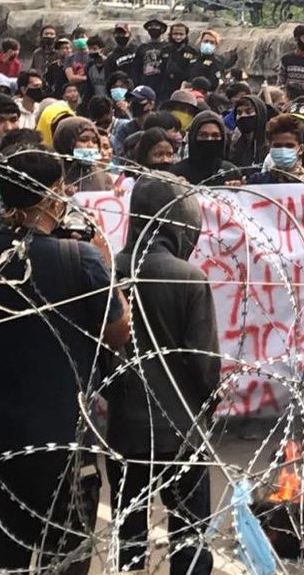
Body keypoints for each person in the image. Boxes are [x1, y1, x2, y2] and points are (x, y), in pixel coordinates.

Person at [0, 143, 130, 572]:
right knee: (65, 546)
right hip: (61, 427)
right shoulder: (80, 257)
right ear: (54, 191)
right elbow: (118, 331)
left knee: (4, 545)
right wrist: (104, 264)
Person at [106, 174, 219, 575]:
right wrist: (213, 400)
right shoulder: (188, 277)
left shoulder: (108, 271)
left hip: (125, 426)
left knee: (130, 531)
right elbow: (204, 362)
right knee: (189, 530)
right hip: (182, 428)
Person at [170, 110, 240, 185]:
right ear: (193, 137)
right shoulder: (176, 173)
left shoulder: (230, 172)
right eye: (203, 135)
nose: (209, 139)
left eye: (215, 135)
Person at [248, 113, 304, 183]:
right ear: (269, 148)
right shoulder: (257, 181)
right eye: (277, 146)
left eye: (289, 146)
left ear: (301, 149)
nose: (283, 150)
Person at [54, 116, 115, 192]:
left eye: (95, 141)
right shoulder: (53, 174)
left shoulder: (103, 178)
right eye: (83, 140)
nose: (90, 146)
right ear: (66, 142)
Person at [132, 18, 170, 99]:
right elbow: (136, 69)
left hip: (163, 87)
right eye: (150, 26)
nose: (153, 28)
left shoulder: (168, 47)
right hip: (146, 85)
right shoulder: (142, 48)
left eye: (156, 26)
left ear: (162, 29)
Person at [162, 23, 197, 97]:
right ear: (171, 34)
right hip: (164, 88)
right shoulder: (164, 50)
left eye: (181, 34)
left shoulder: (192, 52)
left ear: (186, 35)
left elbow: (193, 71)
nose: (178, 37)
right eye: (175, 34)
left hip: (183, 87)